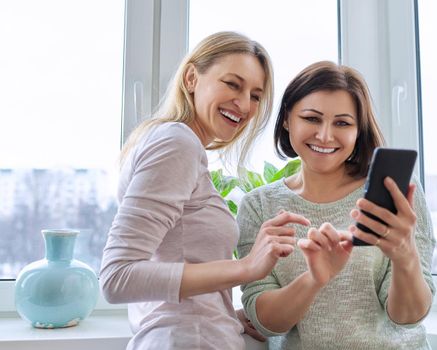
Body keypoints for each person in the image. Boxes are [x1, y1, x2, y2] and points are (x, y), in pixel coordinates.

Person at [99, 31, 310, 350]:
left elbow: (174, 266)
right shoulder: (176, 143)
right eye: (232, 84)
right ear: (191, 78)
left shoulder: (174, 143)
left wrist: (225, 312)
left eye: (255, 95)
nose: (244, 105)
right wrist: (246, 267)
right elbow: (118, 278)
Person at [237, 61, 436, 350]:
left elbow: (408, 318)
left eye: (342, 123)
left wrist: (405, 254)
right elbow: (268, 322)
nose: (325, 135)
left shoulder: (395, 197)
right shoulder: (259, 206)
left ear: (358, 132)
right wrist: (315, 278)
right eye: (311, 118)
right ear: (286, 120)